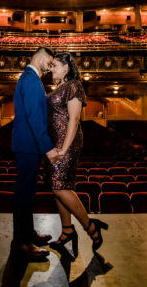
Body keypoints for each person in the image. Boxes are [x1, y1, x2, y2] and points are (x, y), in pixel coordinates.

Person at [45, 52, 108, 253]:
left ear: (66, 68)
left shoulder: (74, 85)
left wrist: (64, 148)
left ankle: (90, 227)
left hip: (67, 142)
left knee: (60, 186)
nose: (50, 69)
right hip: (54, 143)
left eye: (54, 65)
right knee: (57, 186)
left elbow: (74, 119)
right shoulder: (59, 87)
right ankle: (66, 231)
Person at [10, 46, 61, 261]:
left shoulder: (31, 78)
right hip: (28, 145)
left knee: (27, 194)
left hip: (28, 145)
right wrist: (47, 148)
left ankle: (26, 234)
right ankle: (21, 243)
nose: (50, 68)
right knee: (24, 194)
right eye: (49, 63)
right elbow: (33, 117)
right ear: (39, 58)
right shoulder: (31, 79)